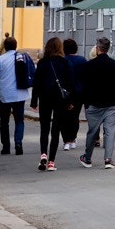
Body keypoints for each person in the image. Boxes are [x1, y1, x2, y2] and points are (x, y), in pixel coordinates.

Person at [78, 38, 115, 169]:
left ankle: (87, 158)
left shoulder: (88, 66)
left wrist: (86, 103)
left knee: (92, 132)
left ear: (98, 48)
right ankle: (108, 159)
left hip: (94, 104)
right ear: (108, 49)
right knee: (110, 132)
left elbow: (84, 86)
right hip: (112, 104)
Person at [30, 37, 74, 171]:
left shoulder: (42, 63)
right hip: (60, 99)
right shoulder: (65, 62)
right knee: (56, 130)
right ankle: (51, 162)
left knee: (44, 128)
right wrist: (70, 101)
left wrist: (34, 101)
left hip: (45, 98)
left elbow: (36, 83)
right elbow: (70, 84)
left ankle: (43, 154)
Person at [0, 36, 32, 156]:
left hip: (5, 95)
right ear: (16, 46)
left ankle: (6, 147)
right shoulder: (22, 58)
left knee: (4, 121)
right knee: (19, 120)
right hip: (20, 95)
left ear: (5, 47)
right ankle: (18, 143)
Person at [60, 38, 88, 149]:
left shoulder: (62, 60)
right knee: (75, 116)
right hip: (79, 93)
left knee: (64, 117)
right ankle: (73, 138)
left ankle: (66, 140)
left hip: (65, 94)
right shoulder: (82, 60)